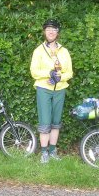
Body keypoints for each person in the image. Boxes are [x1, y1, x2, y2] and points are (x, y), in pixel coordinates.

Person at [30, 19, 73, 163]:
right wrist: (49, 74)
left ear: (57, 32)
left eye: (54, 29)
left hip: (60, 89)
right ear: (44, 32)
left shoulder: (64, 51)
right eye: (48, 29)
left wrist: (59, 77)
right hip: (44, 89)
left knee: (56, 122)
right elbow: (34, 72)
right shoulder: (38, 50)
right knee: (45, 122)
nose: (51, 32)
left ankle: (53, 151)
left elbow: (70, 73)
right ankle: (44, 153)